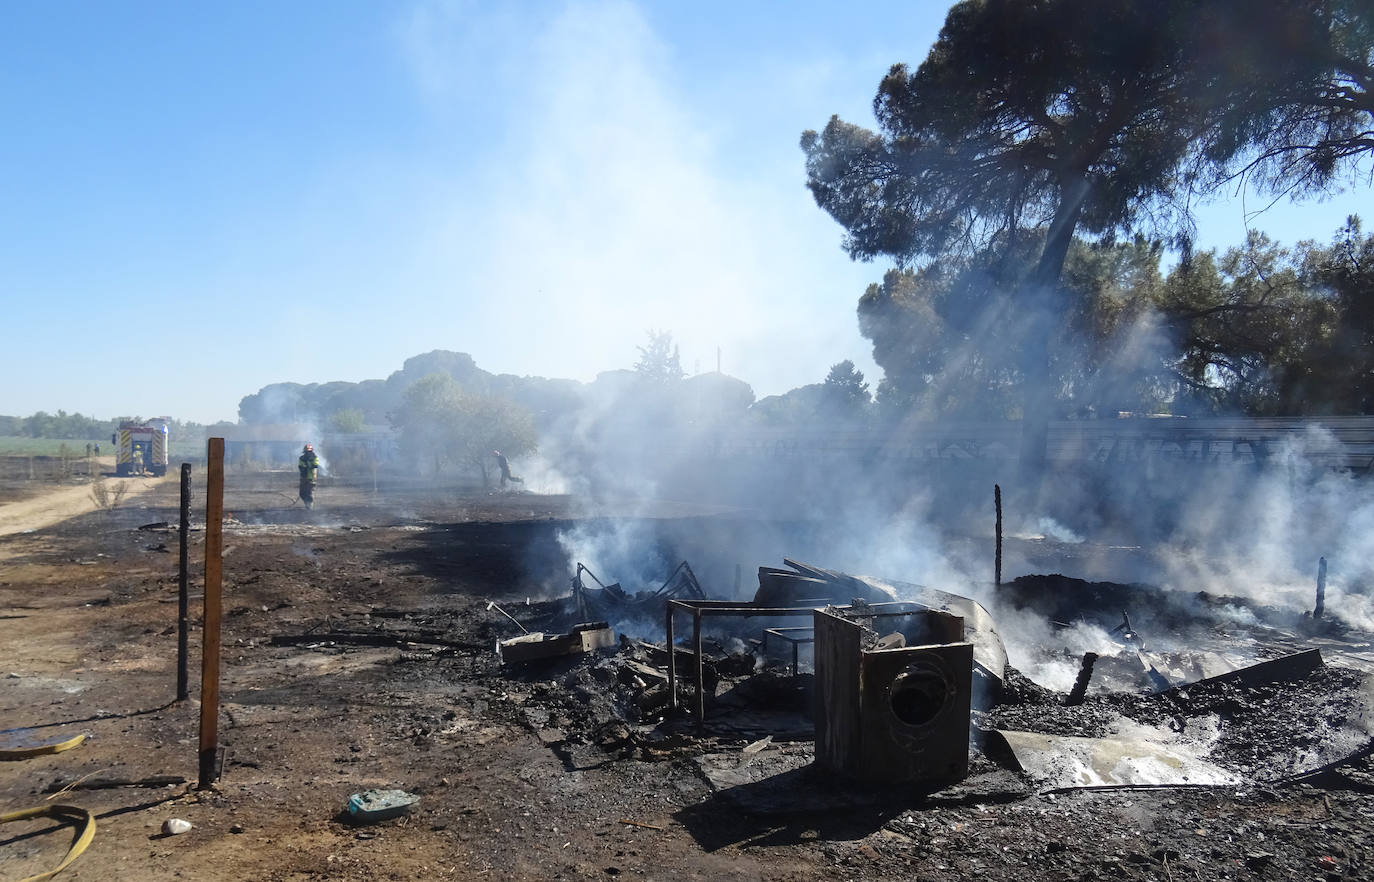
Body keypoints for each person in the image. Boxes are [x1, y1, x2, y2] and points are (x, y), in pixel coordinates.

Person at [298, 443, 321, 509]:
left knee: (309, 493)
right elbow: (300, 466)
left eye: (309, 451)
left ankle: (309, 507)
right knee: (302, 493)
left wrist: (308, 464)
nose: (308, 453)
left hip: (311, 478)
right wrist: (303, 467)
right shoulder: (301, 458)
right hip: (303, 478)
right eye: (307, 451)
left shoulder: (315, 458)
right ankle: (306, 504)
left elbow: (315, 465)